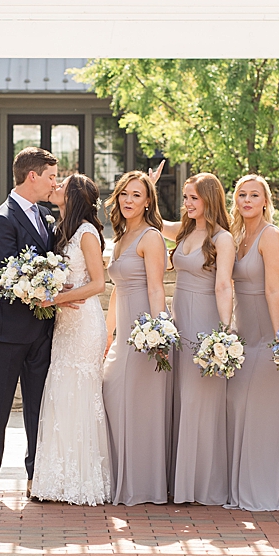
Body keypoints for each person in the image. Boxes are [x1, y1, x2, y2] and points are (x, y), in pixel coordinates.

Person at [0, 146, 61, 504]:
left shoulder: (45, 216)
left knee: (38, 407)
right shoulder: (1, 219)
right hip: (7, 332)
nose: (55, 183)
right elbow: (9, 277)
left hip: (42, 331)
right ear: (32, 176)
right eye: (52, 176)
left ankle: (35, 474)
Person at [30, 173, 111, 505]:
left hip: (84, 324)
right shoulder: (62, 230)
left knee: (78, 391)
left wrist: (55, 299)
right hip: (65, 324)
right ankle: (56, 478)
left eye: (61, 185)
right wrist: (55, 290)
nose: (55, 187)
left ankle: (82, 480)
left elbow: (98, 284)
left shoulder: (87, 233)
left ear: (74, 195)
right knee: (61, 392)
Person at [226, 174, 279, 512]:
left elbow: (275, 289)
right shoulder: (236, 235)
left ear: (265, 201)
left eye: (254, 195)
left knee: (263, 411)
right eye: (242, 194)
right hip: (245, 332)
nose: (247, 201)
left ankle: (264, 491)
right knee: (240, 405)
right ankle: (245, 487)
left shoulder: (271, 236)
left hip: (271, 330)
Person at [162, 173, 235, 506]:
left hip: (205, 323)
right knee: (183, 400)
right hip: (180, 321)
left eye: (193, 198)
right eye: (185, 198)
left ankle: (202, 486)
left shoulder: (222, 239)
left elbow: (223, 285)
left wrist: (225, 330)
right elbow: (156, 223)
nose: (188, 203)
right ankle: (182, 482)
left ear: (209, 198)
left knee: (198, 402)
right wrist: (149, 187)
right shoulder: (187, 229)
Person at [101, 171, 173, 506]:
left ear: (148, 201)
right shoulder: (119, 239)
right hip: (123, 332)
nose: (129, 200)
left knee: (139, 406)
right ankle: (118, 478)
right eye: (124, 194)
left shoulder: (151, 237)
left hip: (145, 331)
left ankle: (142, 486)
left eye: (136, 195)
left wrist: (158, 332)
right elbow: (118, 290)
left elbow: (156, 287)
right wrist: (106, 335)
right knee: (114, 397)